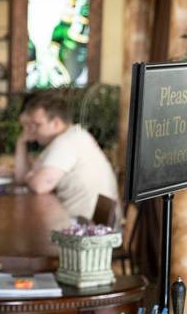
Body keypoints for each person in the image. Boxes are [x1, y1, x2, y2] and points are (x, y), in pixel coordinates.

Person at [12, 94, 119, 222]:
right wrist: (21, 141)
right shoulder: (65, 140)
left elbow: (39, 185)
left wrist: (31, 177)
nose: (32, 130)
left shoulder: (68, 141)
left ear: (56, 123)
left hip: (87, 229)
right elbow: (22, 177)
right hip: (81, 222)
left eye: (37, 124)